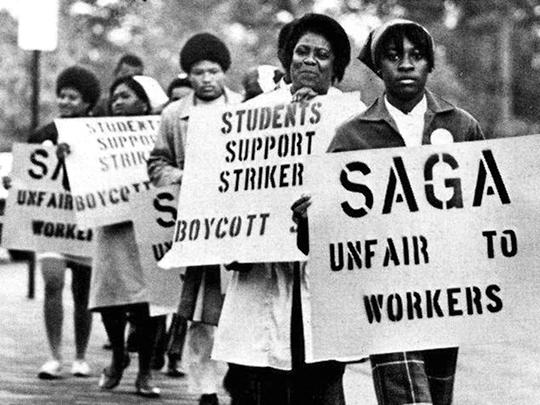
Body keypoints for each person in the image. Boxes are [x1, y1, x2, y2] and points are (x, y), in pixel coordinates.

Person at [295, 19, 485, 405]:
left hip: (446, 292)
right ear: (378, 66)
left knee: (437, 392)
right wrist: (308, 220)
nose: (406, 65)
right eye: (393, 56)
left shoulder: (462, 126)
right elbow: (322, 239)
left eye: (417, 56)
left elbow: (489, 213)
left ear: (430, 65)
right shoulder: (353, 136)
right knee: (408, 397)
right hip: (386, 298)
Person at [213, 13, 365, 405]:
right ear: (287, 59)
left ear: (336, 68)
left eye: (322, 55)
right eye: (301, 52)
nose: (309, 61)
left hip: (323, 275)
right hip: (265, 272)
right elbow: (226, 193)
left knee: (324, 382)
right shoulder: (253, 116)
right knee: (265, 383)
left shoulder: (355, 122)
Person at [147, 32, 242, 405]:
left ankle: (234, 381)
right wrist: (182, 177)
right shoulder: (174, 115)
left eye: (214, 71)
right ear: (189, 75)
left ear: (224, 73)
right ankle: (205, 387)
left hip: (235, 221)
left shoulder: (246, 108)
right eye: (199, 72)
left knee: (235, 307)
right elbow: (157, 163)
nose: (206, 79)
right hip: (193, 223)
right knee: (202, 311)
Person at [87, 75, 168, 397]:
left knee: (148, 299)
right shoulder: (97, 135)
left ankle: (145, 371)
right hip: (111, 224)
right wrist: (70, 156)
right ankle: (119, 354)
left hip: (148, 222)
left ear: (144, 102)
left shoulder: (161, 132)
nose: (118, 102)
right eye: (115, 97)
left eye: (126, 96)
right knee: (110, 296)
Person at [28, 65, 101, 379]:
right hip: (53, 221)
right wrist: (12, 182)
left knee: (84, 292)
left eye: (73, 97)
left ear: (87, 103)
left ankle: (81, 357)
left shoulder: (99, 134)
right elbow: (29, 177)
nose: (66, 101)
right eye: (62, 95)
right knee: (53, 283)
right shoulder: (43, 134)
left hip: (84, 223)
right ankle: (54, 355)